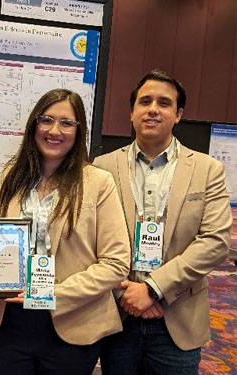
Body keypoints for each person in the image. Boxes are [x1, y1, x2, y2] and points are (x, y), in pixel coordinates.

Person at [0, 88, 131, 375]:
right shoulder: (11, 177)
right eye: (47, 120)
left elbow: (116, 263)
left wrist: (54, 293)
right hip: (14, 321)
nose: (55, 130)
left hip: (72, 321)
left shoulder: (98, 182)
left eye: (66, 123)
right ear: (34, 125)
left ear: (79, 131)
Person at [94, 69, 232, 375]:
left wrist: (154, 288)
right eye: (145, 101)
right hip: (119, 315)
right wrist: (127, 294)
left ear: (178, 114)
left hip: (179, 318)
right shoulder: (102, 169)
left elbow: (215, 241)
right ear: (131, 112)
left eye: (164, 103)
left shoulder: (208, 170)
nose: (153, 108)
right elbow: (90, 242)